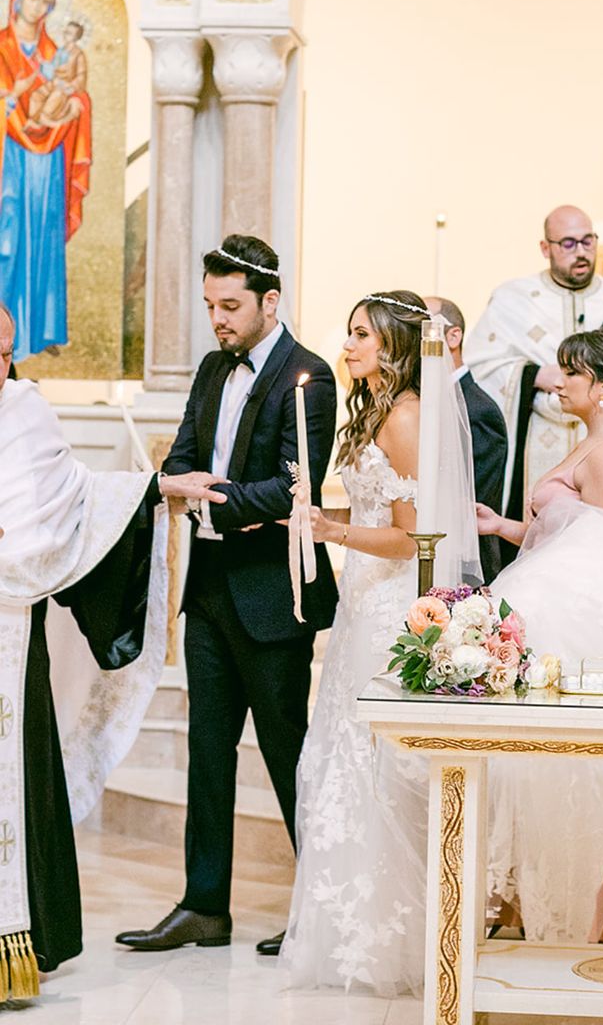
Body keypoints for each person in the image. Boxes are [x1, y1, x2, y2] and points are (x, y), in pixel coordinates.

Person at [115, 235, 339, 955]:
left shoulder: (311, 375)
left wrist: (214, 503)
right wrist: (192, 488)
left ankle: (324, 909)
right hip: (208, 592)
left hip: (272, 596)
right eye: (212, 306)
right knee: (206, 752)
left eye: (232, 305)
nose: (219, 319)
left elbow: (295, 484)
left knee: (286, 754)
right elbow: (181, 458)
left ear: (271, 301)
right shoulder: (213, 369)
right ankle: (204, 906)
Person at [0, 302, 224, 992]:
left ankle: (18, 937)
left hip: (7, 627)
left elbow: (66, 502)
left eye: (6, 348)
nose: (2, 362)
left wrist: (155, 489)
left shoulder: (23, 409)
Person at [477, 325, 603, 944]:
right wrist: (506, 527)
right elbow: (574, 534)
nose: (555, 383)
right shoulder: (597, 441)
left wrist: (518, 606)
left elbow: (599, 564)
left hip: (580, 626)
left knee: (557, 774)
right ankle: (518, 905)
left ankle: (548, 910)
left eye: (571, 372)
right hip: (561, 607)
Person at [280, 290, 432, 996]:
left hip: (386, 609)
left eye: (362, 335)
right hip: (358, 601)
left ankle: (391, 939)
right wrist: (324, 513)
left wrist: (333, 532)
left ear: (395, 346)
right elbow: (375, 509)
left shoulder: (403, 418)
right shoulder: (370, 412)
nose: (348, 346)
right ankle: (345, 931)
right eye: (348, 334)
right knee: (339, 760)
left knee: (376, 769)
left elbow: (408, 537)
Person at [464, 205, 603, 558]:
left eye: (588, 241)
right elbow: (476, 373)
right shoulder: (513, 299)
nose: (581, 251)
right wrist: (532, 375)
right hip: (536, 437)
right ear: (545, 247)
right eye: (568, 244)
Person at [0, 0, 92, 360]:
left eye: (46, 2)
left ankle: (43, 328)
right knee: (9, 235)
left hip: (49, 157)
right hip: (9, 157)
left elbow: (79, 95)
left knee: (44, 234)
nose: (38, 8)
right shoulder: (2, 49)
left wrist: (75, 106)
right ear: (17, 0)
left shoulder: (56, 53)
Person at [425, 294, 507, 582]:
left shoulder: (479, 409)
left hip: (462, 565)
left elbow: (474, 501)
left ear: (453, 336)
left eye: (424, 329)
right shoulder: (422, 401)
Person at [27, 21, 87, 129]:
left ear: (76, 36)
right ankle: (35, 119)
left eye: (69, 33)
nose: (65, 34)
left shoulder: (78, 54)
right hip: (54, 82)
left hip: (65, 87)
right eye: (66, 31)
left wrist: (71, 85)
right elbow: (52, 68)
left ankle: (43, 120)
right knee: (36, 95)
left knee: (56, 96)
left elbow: (81, 75)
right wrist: (41, 61)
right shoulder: (60, 51)